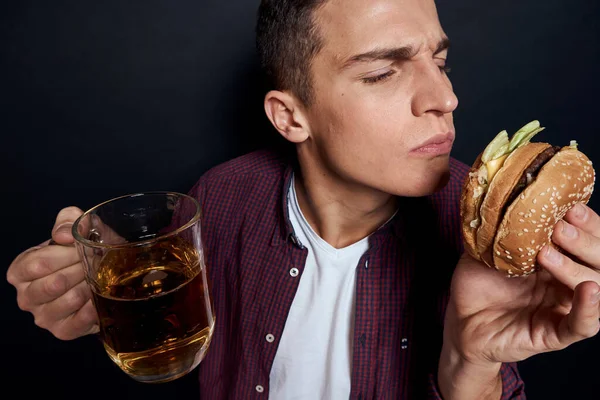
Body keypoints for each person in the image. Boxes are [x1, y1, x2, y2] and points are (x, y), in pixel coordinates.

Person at [6, 0, 600, 398]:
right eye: (382, 73)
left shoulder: (480, 235)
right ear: (290, 116)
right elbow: (161, 318)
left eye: (439, 61)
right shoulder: (217, 198)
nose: (444, 98)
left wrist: (472, 363)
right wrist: (87, 286)